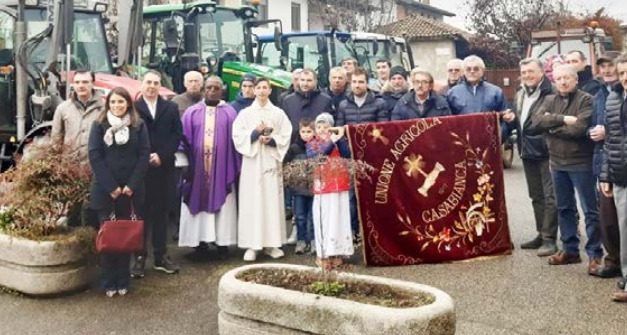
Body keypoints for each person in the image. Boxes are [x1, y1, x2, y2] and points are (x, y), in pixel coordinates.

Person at [527, 64, 603, 274]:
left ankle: (595, 254)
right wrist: (561, 120)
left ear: (575, 80)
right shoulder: (550, 99)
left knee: (590, 211)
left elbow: (579, 129)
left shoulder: (587, 99)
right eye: (559, 78)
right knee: (564, 208)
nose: (563, 82)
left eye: (567, 78)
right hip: (556, 163)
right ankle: (570, 250)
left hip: (581, 163)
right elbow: (535, 121)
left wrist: (551, 128)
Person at [88, 87, 150, 297]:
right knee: (108, 238)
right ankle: (108, 281)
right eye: (113, 102)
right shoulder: (99, 126)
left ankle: (123, 280)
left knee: (125, 238)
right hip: (106, 191)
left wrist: (131, 185)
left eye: (121, 102)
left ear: (128, 105)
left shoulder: (138, 125)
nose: (117, 106)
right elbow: (95, 156)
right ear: (108, 104)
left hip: (130, 191)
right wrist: (111, 187)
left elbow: (144, 155)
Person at [178, 76, 242, 258]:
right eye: (209, 88)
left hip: (222, 169)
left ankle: (222, 243)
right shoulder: (192, 112)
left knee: (224, 204)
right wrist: (184, 165)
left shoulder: (230, 113)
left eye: (216, 88)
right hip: (197, 170)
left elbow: (236, 141)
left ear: (222, 90)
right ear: (203, 90)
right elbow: (183, 140)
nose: (212, 91)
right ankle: (199, 244)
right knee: (196, 201)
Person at [502, 58, 558, 256]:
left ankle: (550, 240)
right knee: (536, 196)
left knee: (551, 197)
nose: (527, 75)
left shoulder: (552, 93)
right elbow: (524, 121)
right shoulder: (519, 94)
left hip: (547, 151)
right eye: (524, 72)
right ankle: (541, 234)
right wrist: (512, 118)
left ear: (542, 72)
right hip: (527, 151)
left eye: (531, 71)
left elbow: (550, 121)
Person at [232, 78, 292, 262]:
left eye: (265, 87)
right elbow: (237, 136)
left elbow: (286, 134)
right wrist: (254, 134)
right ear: (254, 90)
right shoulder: (245, 113)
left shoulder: (278, 113)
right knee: (252, 201)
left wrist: (272, 140)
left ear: (270, 90)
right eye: (258, 87)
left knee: (271, 200)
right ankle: (252, 245)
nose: (261, 90)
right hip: (252, 162)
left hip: (270, 161)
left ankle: (271, 243)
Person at [132, 70, 183, 277]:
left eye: (155, 83)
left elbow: (176, 134)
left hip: (164, 167)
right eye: (148, 82)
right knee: (140, 214)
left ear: (159, 85)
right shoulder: (134, 109)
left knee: (161, 214)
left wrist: (162, 155)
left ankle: (161, 256)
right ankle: (139, 257)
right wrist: (145, 157)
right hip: (140, 170)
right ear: (142, 85)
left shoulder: (170, 108)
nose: (152, 86)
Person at [336, 67, 387, 242]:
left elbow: (382, 130)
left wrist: (370, 150)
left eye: (361, 82)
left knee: (375, 196)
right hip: (350, 157)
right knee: (352, 198)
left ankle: (376, 233)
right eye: (354, 82)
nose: (357, 85)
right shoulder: (343, 105)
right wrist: (348, 151)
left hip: (372, 158)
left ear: (367, 83)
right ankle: (355, 233)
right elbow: (340, 131)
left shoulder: (379, 103)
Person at [51, 70, 104, 227]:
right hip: (71, 167)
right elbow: (56, 138)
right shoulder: (63, 109)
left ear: (93, 83)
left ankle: (93, 245)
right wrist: (57, 165)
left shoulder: (104, 108)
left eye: (85, 82)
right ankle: (73, 245)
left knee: (93, 210)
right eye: (78, 82)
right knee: (72, 212)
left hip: (95, 168)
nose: (81, 86)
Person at [306, 113, 353, 269]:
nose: (322, 130)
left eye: (326, 127)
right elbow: (319, 156)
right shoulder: (312, 144)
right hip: (323, 187)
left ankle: (338, 251)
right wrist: (331, 142)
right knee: (324, 219)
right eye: (319, 127)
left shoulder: (338, 141)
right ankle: (323, 253)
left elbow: (347, 155)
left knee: (339, 218)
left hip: (339, 184)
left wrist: (339, 139)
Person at [591, 52, 622, 278]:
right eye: (603, 67)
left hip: (620, 163)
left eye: (612, 66)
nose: (608, 71)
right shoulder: (599, 95)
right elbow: (591, 125)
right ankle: (613, 261)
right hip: (605, 162)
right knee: (608, 219)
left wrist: (607, 131)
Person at [599, 53, 627, 302]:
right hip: (621, 176)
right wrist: (606, 175)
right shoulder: (613, 98)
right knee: (625, 230)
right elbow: (611, 141)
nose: (625, 77)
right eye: (622, 73)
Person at [291, 119, 315, 254]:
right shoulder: (294, 148)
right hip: (299, 189)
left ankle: (312, 241)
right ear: (299, 132)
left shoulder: (317, 147)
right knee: (299, 216)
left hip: (313, 189)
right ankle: (300, 240)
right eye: (303, 131)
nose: (306, 134)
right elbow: (287, 165)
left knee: (312, 217)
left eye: (309, 131)